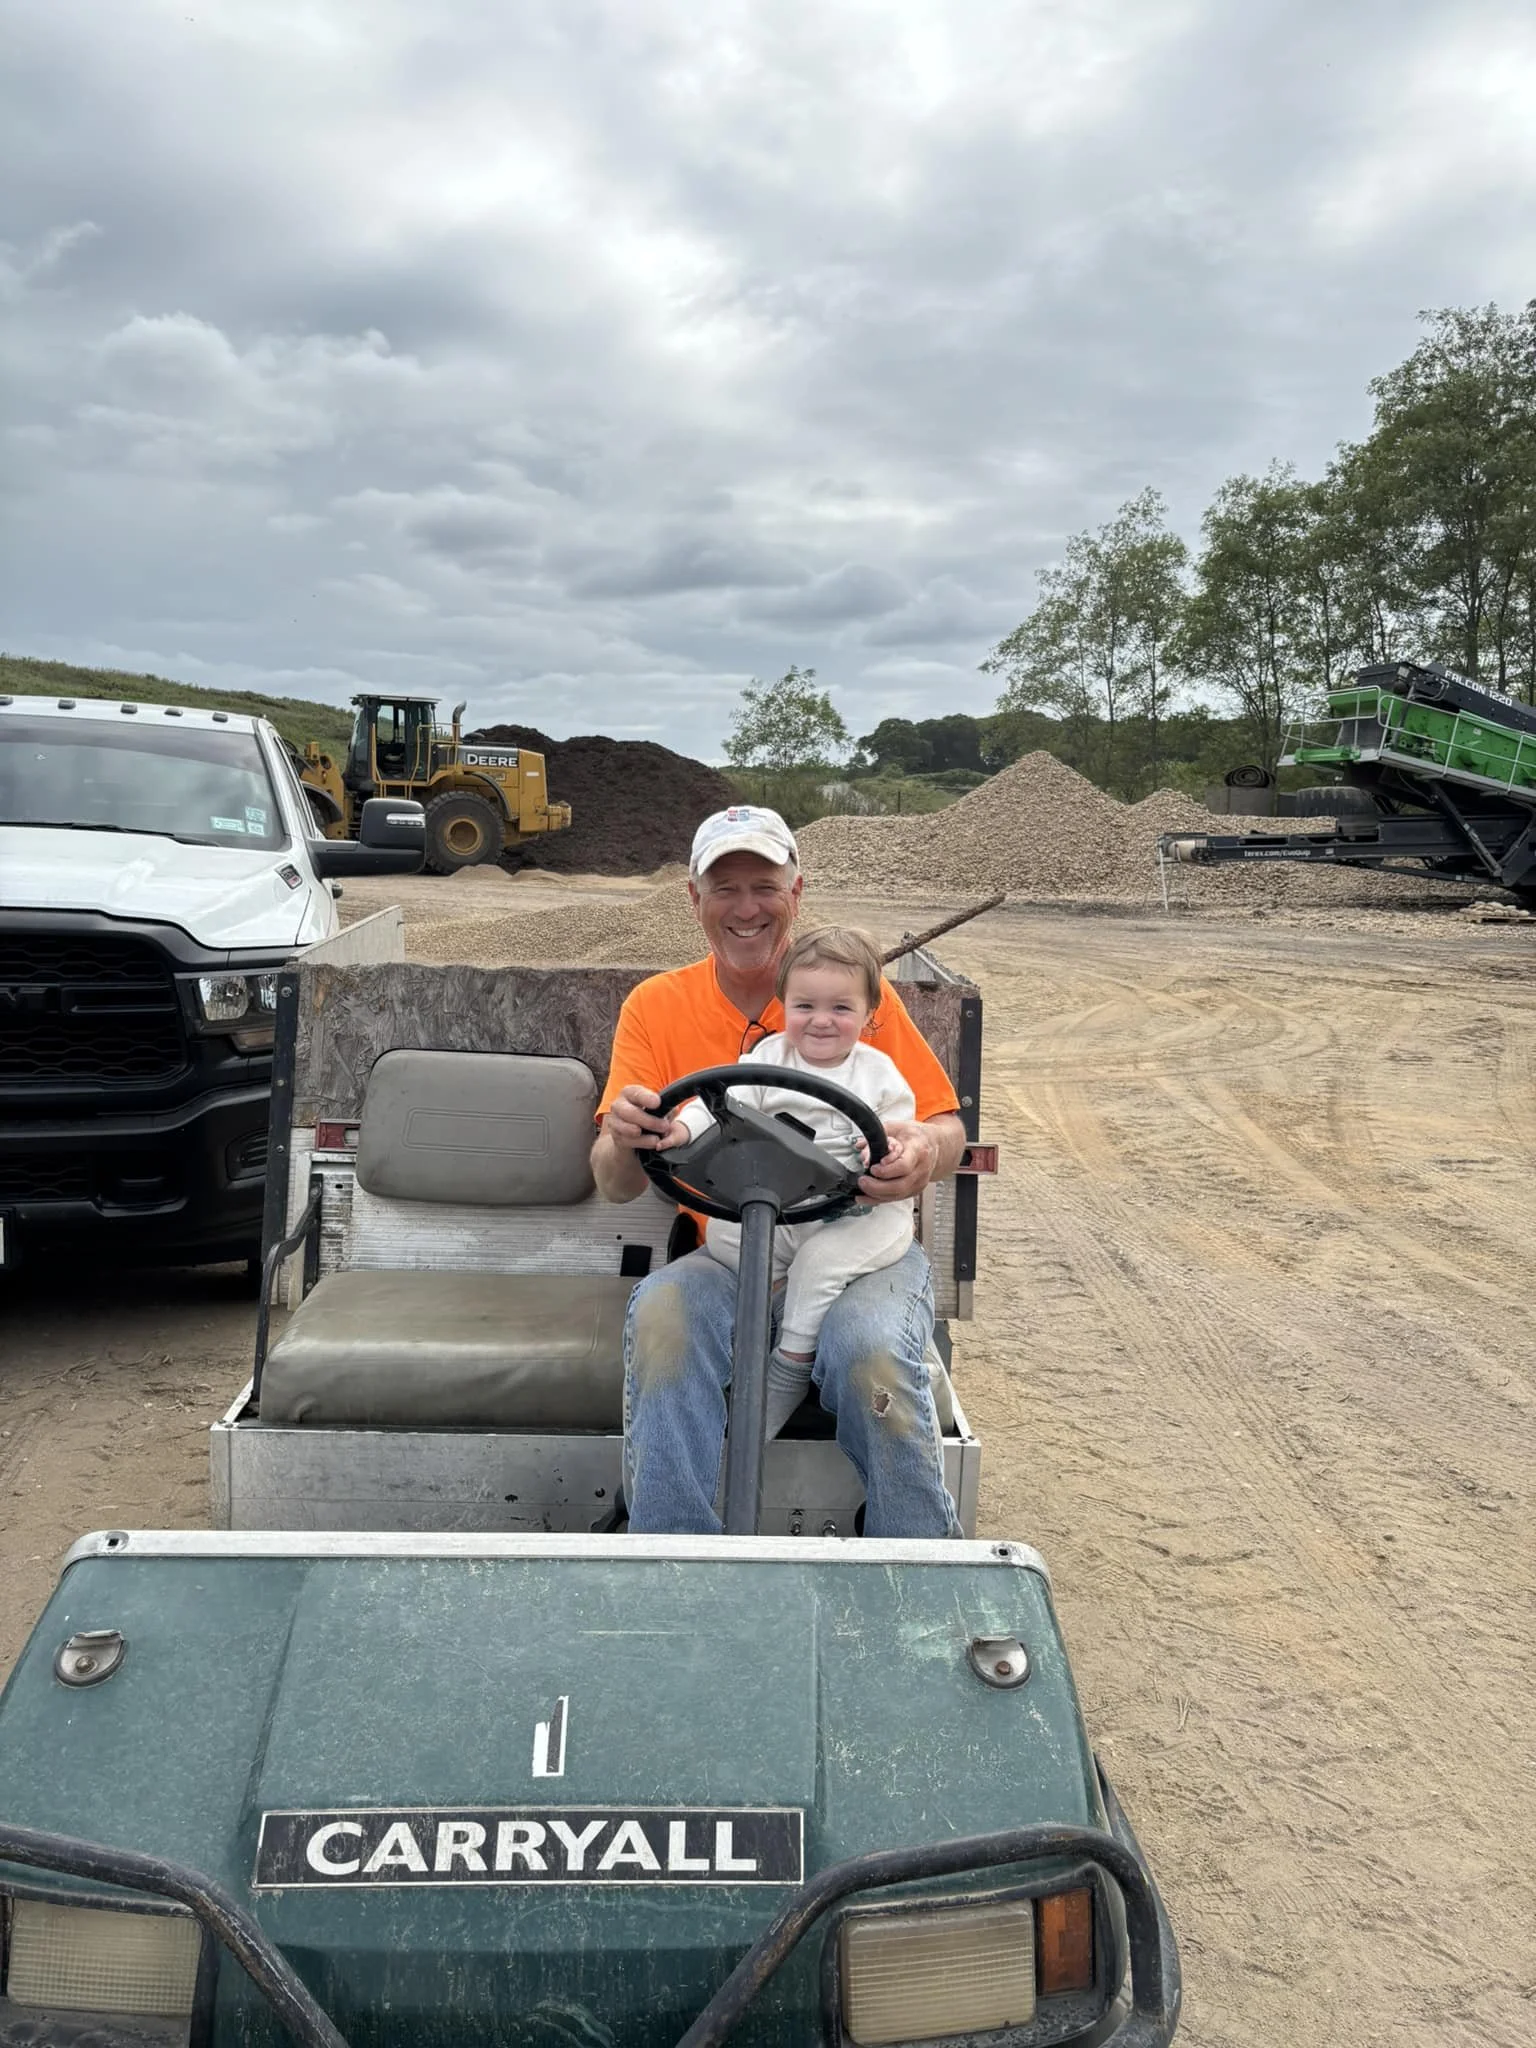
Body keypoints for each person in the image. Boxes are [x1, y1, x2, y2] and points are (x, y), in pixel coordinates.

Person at [592, 804, 966, 1536]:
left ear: (796, 892)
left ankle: (918, 1559)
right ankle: (670, 1559)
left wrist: (921, 1154)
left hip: (859, 1246)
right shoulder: (655, 1008)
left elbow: (944, 1125)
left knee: (870, 1352)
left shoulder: (854, 1000)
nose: (745, 908)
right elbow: (614, 1182)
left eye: (763, 885)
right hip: (735, 1251)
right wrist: (630, 1137)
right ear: (692, 899)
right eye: (723, 887)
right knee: (666, 1318)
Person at [660, 926, 920, 1443]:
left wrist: (882, 1149)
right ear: (784, 1003)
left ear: (871, 1012)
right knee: (724, 1235)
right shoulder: (764, 1062)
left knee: (822, 1262)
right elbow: (712, 1107)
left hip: (859, 1218)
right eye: (805, 1005)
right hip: (780, 1213)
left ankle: (790, 1364)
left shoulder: (879, 1074)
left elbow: (899, 1133)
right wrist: (682, 1129)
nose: (821, 1021)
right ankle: (786, 1290)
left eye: (841, 1009)